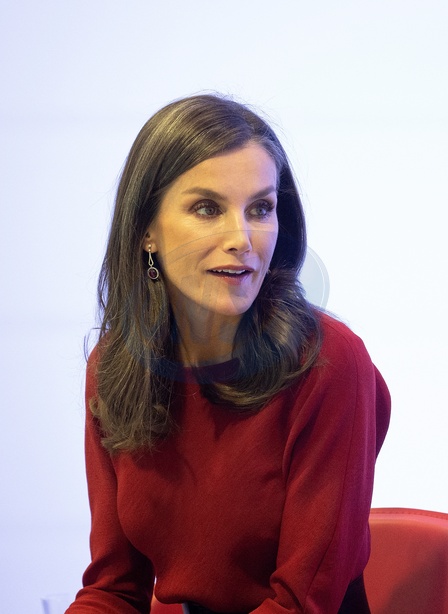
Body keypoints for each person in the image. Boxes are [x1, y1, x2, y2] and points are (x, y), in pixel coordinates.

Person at [66, 93, 390, 614]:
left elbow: (301, 603)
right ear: (147, 230)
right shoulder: (115, 366)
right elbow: (113, 590)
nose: (242, 238)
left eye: (260, 208)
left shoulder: (330, 362)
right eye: (207, 208)